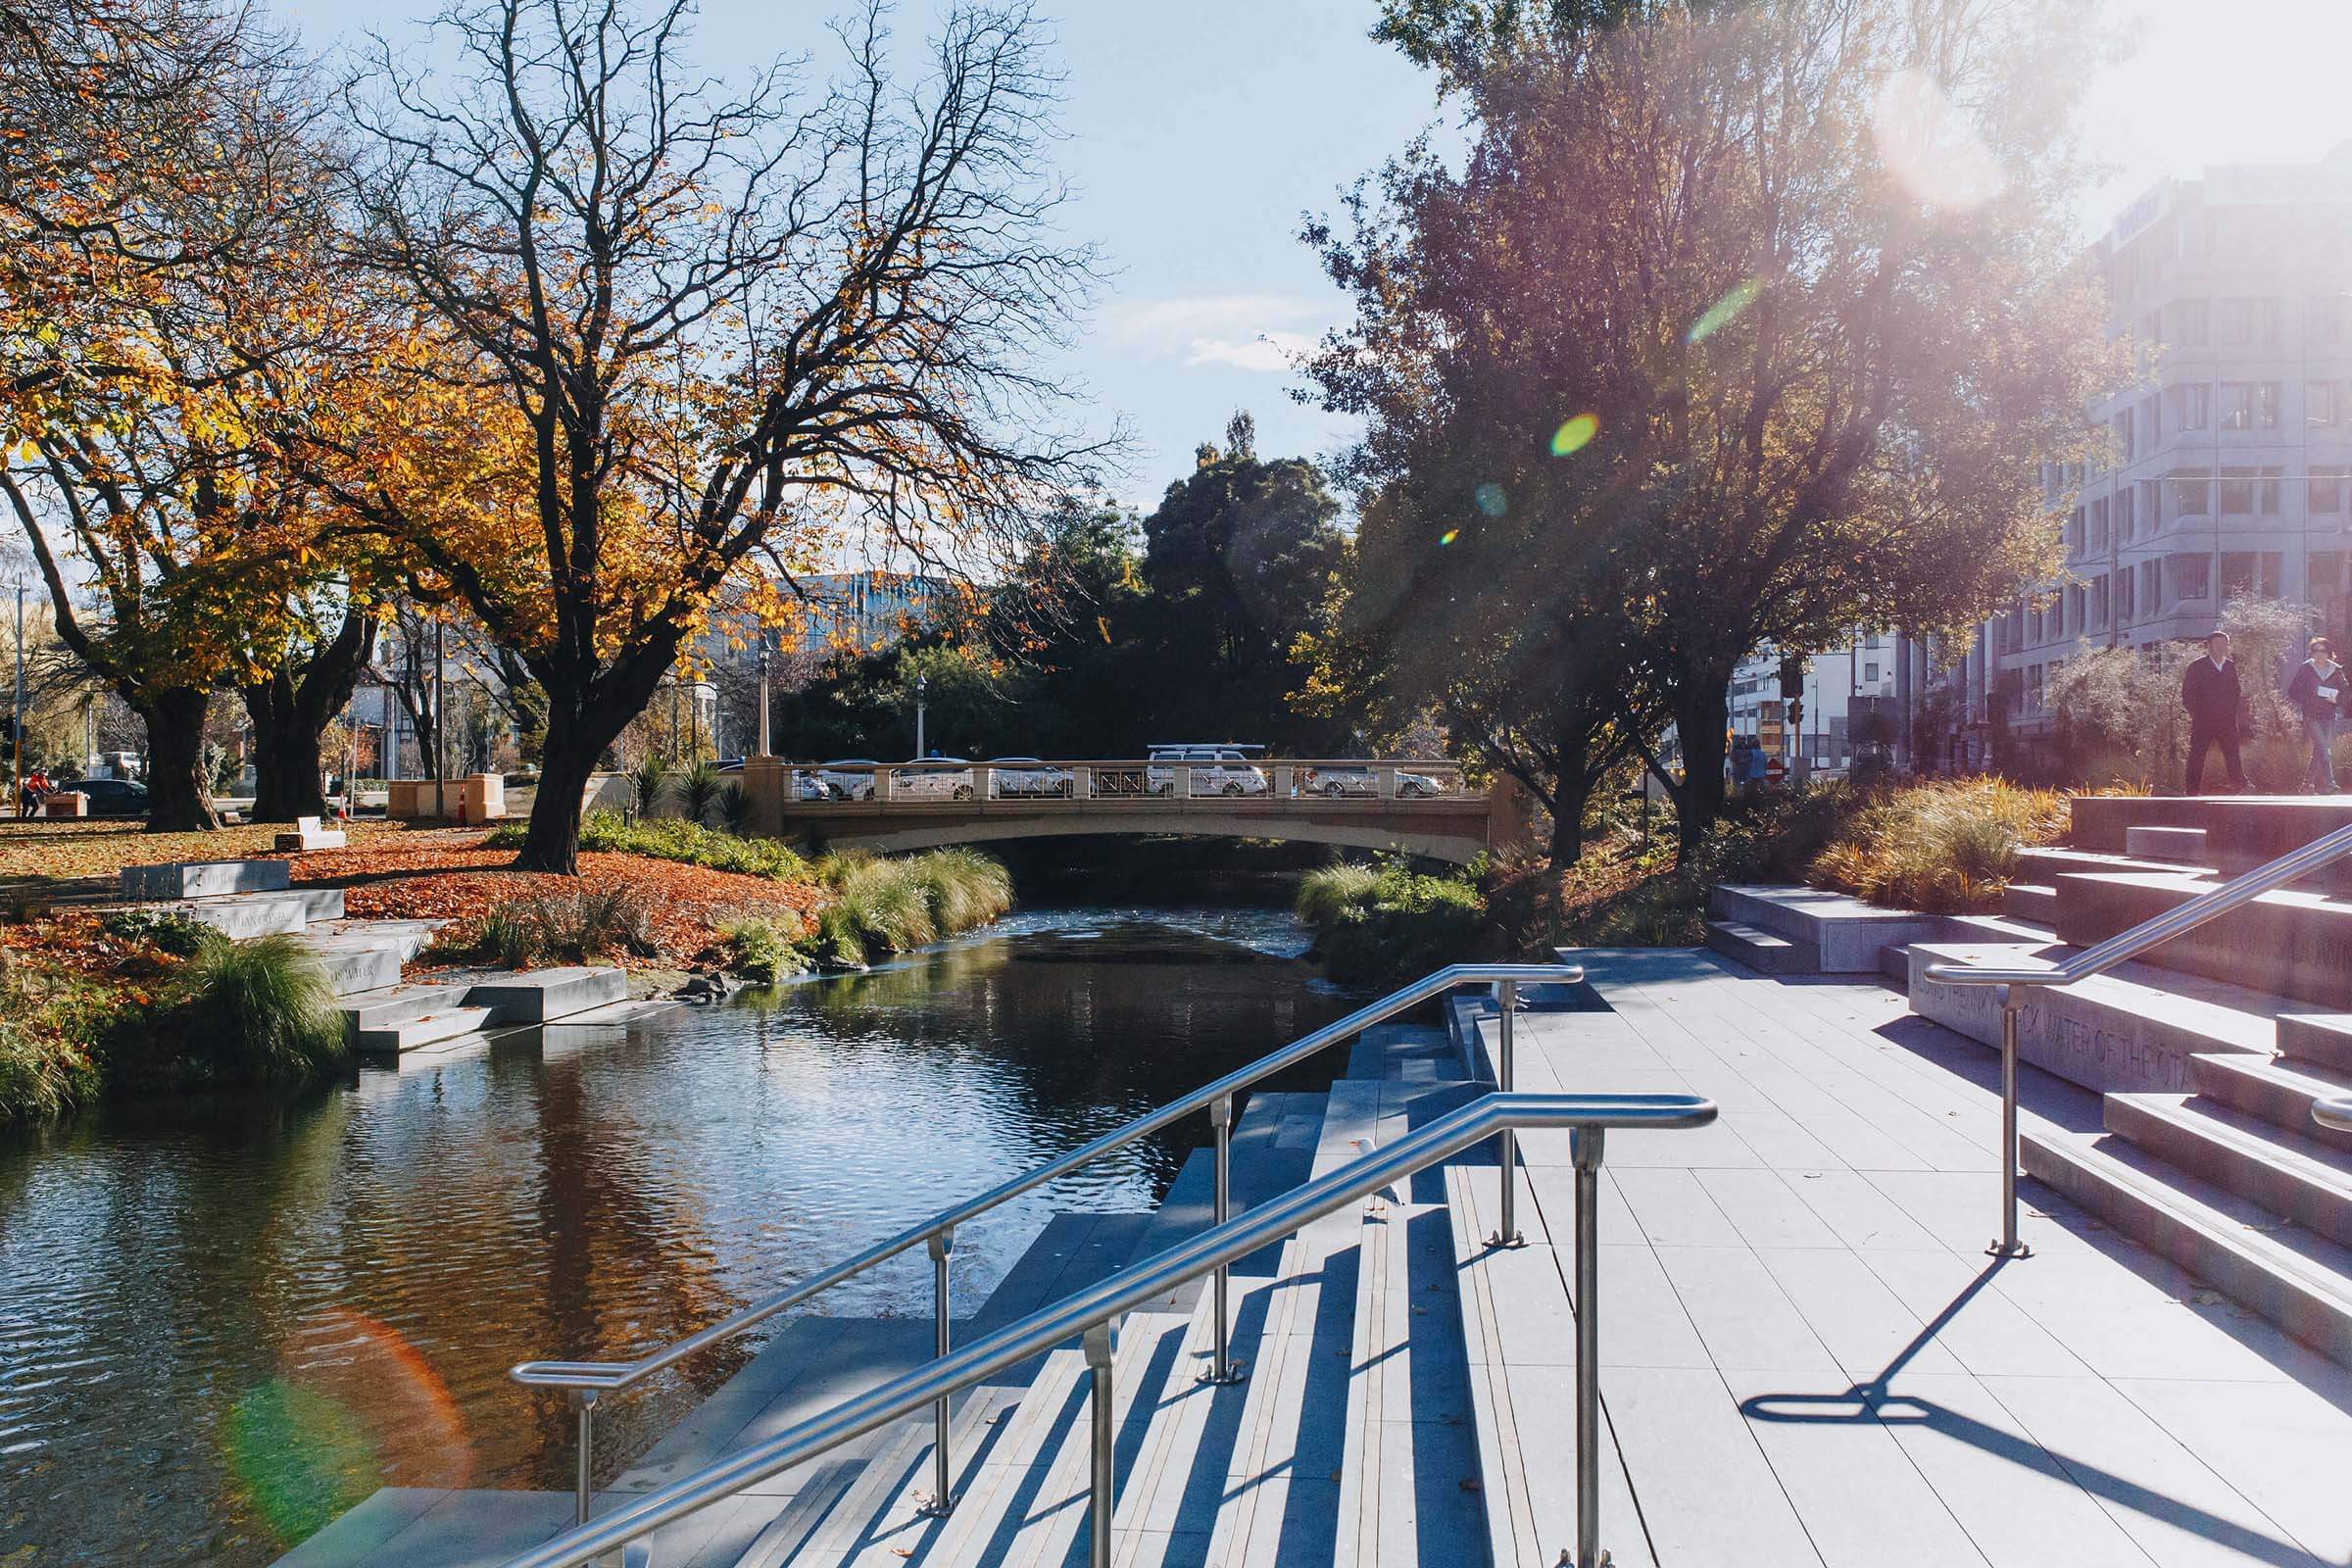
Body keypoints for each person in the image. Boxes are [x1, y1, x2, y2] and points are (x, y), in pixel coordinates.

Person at [2180, 630, 2248, 795]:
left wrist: (2234, 714)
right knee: (2197, 755)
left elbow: (2235, 691)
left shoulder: (2229, 666)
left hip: (2226, 721)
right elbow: (2188, 694)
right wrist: (2197, 714)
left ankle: (2241, 786)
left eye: (2223, 644)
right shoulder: (2197, 666)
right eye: (2216, 644)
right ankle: (2191, 791)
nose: (2220, 647)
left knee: (2232, 754)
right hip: (2203, 721)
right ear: (2209, 646)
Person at [2285, 634, 2344, 794]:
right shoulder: (2306, 668)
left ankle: (2306, 785)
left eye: (2323, 650)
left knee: (2320, 749)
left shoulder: (2336, 670)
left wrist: (2336, 699)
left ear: (2329, 652)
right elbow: (2293, 691)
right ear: (2312, 653)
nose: (2319, 654)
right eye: (2316, 650)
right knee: (2324, 749)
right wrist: (2311, 698)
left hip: (2329, 715)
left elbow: (2345, 693)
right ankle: (2331, 784)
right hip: (2311, 716)